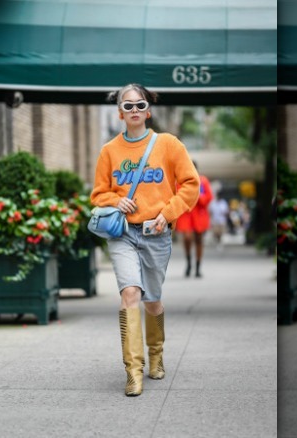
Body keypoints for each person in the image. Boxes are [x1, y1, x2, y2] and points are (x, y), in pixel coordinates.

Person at [90, 83, 199, 396]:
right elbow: (97, 194)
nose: (134, 110)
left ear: (148, 110)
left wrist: (167, 214)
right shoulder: (109, 151)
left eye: (140, 105)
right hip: (122, 233)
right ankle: (133, 370)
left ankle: (156, 354)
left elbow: (190, 185)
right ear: (120, 112)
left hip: (157, 233)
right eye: (128, 106)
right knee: (130, 294)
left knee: (152, 299)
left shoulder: (168, 144)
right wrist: (115, 200)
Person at [175, 161, 213, 277]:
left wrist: (198, 197)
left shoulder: (203, 181)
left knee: (199, 239)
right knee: (187, 238)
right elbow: (177, 195)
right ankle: (188, 262)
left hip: (199, 215)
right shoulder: (179, 181)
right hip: (186, 214)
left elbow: (208, 197)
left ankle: (197, 266)